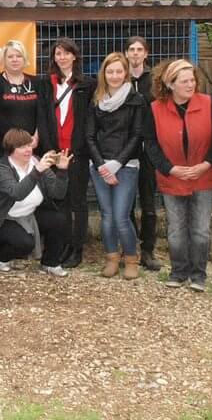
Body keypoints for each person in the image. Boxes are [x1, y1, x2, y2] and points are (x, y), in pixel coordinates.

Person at [144, 59, 212, 292]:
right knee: (176, 229)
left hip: (203, 176)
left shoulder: (208, 103)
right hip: (172, 177)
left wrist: (207, 164)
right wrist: (169, 168)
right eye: (184, 81)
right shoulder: (155, 108)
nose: (190, 85)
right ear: (170, 84)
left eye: (192, 80)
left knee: (200, 229)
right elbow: (151, 144)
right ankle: (178, 272)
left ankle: (198, 275)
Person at [0, 128, 72, 276]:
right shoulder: (2, 167)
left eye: (29, 145)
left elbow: (58, 194)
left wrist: (62, 171)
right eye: (22, 147)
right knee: (25, 244)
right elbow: (17, 193)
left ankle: (50, 263)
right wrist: (37, 171)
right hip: (3, 218)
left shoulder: (37, 162)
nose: (28, 150)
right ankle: (0, 255)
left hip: (30, 213)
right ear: (11, 149)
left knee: (59, 219)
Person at [86, 52, 146, 281]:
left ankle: (131, 258)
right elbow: (90, 136)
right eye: (110, 71)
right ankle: (111, 258)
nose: (114, 75)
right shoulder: (96, 99)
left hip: (127, 165)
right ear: (104, 73)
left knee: (121, 216)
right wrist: (101, 165)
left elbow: (137, 135)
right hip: (99, 166)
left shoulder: (136, 100)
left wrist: (117, 163)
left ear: (125, 73)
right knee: (107, 216)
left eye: (119, 71)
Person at [37, 37, 94, 269]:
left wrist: (78, 149)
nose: (62, 57)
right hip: (53, 151)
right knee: (58, 201)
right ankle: (60, 246)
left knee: (77, 202)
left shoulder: (87, 85)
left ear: (74, 56)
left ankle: (76, 249)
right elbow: (42, 117)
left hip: (77, 152)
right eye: (58, 53)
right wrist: (49, 148)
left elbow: (88, 120)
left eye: (66, 53)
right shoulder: (45, 83)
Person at [125, 35, 161, 271]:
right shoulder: (119, 77)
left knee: (148, 202)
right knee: (126, 203)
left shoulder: (155, 80)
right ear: (126, 53)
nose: (136, 53)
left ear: (146, 54)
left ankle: (148, 250)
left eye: (140, 49)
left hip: (149, 148)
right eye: (132, 49)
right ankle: (129, 248)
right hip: (125, 149)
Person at [0, 39, 42, 170]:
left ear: (24, 59)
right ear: (4, 60)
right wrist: (19, 141)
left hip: (32, 147)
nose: (15, 59)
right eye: (10, 56)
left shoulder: (36, 82)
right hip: (2, 147)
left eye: (18, 56)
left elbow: (42, 113)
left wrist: (36, 137)